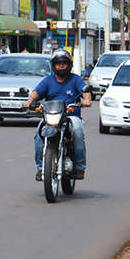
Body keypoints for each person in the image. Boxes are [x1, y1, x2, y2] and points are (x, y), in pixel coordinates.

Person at [22, 49, 92, 181]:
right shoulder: (48, 81)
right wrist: (29, 101)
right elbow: (36, 92)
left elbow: (85, 91)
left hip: (71, 115)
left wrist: (87, 100)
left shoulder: (75, 79)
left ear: (69, 65)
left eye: (64, 63)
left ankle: (79, 167)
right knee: (39, 134)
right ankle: (41, 168)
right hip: (51, 116)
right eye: (58, 63)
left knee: (77, 130)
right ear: (53, 65)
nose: (61, 65)